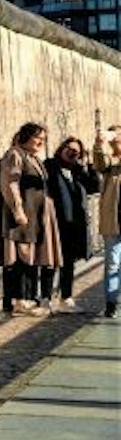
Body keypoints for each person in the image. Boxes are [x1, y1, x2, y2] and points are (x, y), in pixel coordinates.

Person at [0, 123, 61, 315]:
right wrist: (18, 210)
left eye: (43, 138)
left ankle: (27, 298)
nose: (41, 141)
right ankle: (19, 300)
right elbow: (10, 183)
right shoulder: (15, 154)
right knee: (20, 256)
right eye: (37, 137)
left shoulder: (33, 158)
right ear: (26, 136)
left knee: (30, 256)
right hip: (22, 216)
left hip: (35, 216)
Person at [42, 136, 99, 311]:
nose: (72, 153)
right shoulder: (50, 165)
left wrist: (88, 164)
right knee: (50, 261)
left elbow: (94, 186)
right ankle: (45, 298)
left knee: (68, 263)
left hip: (74, 224)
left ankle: (65, 298)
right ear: (61, 148)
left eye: (76, 151)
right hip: (54, 221)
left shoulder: (78, 171)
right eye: (69, 148)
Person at [94, 126, 121, 318]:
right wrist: (99, 144)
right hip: (113, 221)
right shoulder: (111, 162)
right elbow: (100, 163)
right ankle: (111, 304)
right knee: (112, 263)